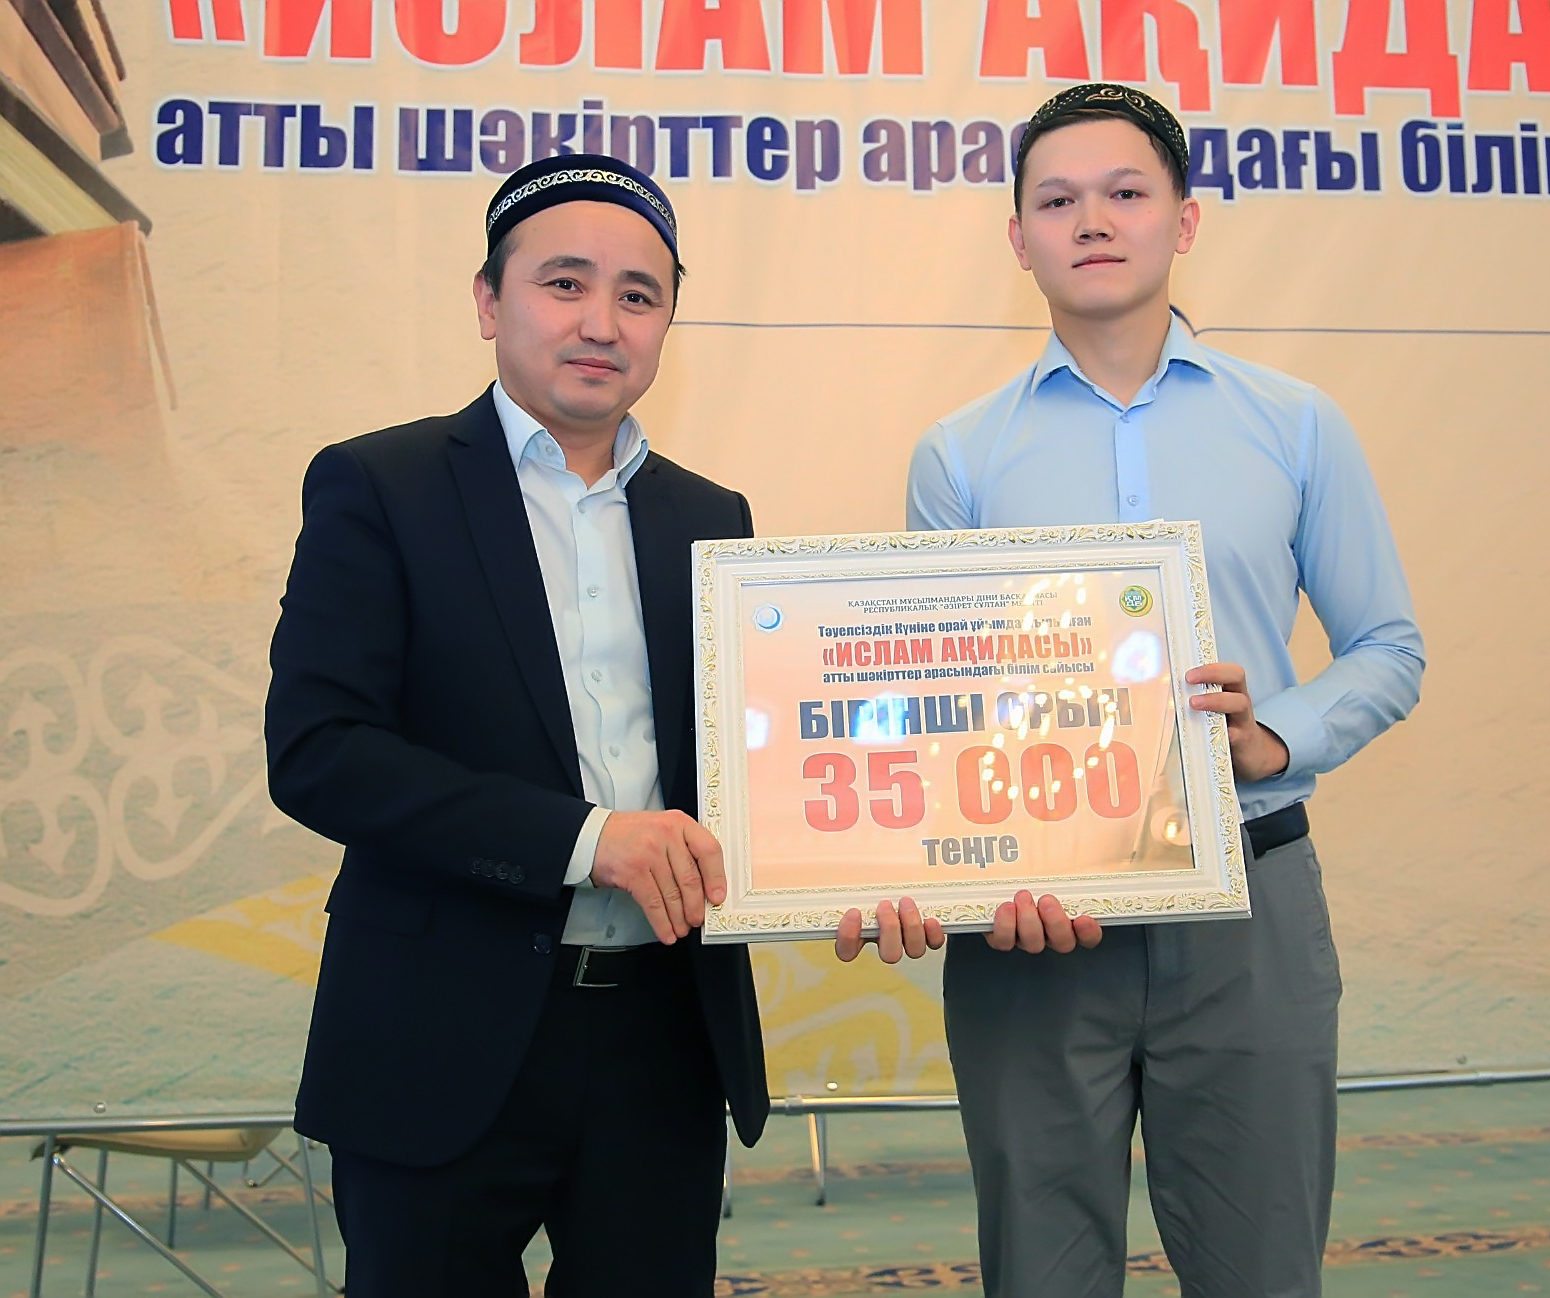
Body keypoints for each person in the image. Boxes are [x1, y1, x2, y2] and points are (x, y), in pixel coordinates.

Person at [892, 84, 1427, 1296]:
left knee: (1260, 1267)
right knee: (1040, 1272)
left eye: (1124, 192)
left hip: (1250, 895)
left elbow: (1387, 646)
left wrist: (1271, 736)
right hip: (1033, 918)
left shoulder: (1294, 424)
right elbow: (943, 703)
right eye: (1056, 200)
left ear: (1182, 220)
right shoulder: (958, 456)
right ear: (1017, 236)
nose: (1091, 220)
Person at [265, 156, 770, 1297]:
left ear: (667, 322)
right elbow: (320, 751)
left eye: (638, 295)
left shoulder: (710, 517)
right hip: (439, 1027)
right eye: (564, 283)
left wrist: (860, 865)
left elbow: (746, 765)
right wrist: (589, 840)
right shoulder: (380, 485)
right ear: (490, 301)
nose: (601, 322)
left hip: (661, 1036)